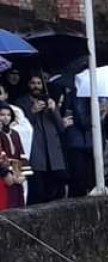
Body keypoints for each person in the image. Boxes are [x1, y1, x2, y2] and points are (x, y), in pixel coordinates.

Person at [16, 74, 67, 204]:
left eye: (39, 83)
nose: (36, 86)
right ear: (28, 85)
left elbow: (60, 127)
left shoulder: (49, 100)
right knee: (38, 192)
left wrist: (54, 109)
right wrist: (31, 111)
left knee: (56, 191)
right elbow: (20, 126)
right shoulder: (21, 102)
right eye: (33, 83)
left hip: (53, 154)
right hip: (35, 153)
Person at [0, 103, 27, 208]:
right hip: (5, 174)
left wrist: (21, 174)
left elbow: (21, 153)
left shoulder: (15, 133)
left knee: (18, 202)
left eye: (8, 115)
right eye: (2, 115)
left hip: (17, 172)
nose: (5, 118)